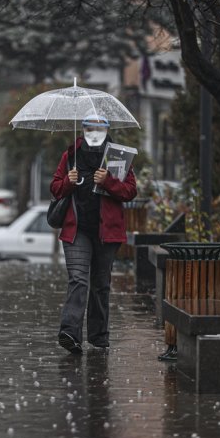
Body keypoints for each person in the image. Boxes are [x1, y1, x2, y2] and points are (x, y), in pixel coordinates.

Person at [50, 115, 137, 354]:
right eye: (90, 127)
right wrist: (68, 181)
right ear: (84, 130)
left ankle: (99, 337)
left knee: (100, 285)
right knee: (78, 279)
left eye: (100, 127)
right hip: (76, 229)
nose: (94, 131)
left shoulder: (118, 157)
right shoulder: (71, 156)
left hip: (106, 232)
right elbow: (55, 189)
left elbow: (130, 191)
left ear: (107, 129)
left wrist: (108, 181)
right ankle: (70, 332)